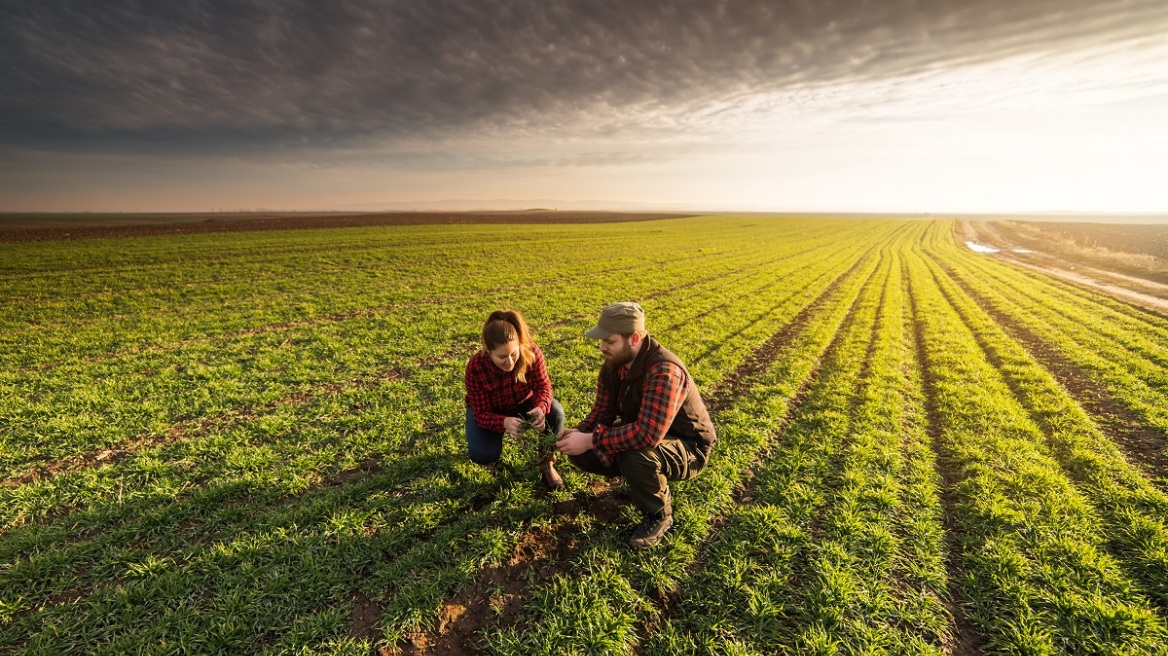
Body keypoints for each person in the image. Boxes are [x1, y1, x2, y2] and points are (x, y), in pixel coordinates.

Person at [556, 302, 716, 549]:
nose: (602, 348)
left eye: (609, 341)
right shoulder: (613, 367)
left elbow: (646, 435)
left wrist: (591, 440)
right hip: (648, 433)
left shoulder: (664, 370)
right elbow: (602, 412)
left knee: (636, 455)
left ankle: (659, 515)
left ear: (634, 338)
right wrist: (579, 432)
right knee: (585, 454)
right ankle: (638, 483)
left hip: (689, 446)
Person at [465, 309, 566, 489]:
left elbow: (544, 387)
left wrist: (541, 408)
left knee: (555, 413)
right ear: (488, 351)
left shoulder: (531, 351)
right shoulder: (475, 367)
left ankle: (546, 461)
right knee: (482, 454)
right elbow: (480, 413)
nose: (510, 363)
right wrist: (503, 422)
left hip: (523, 402)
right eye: (502, 357)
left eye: (514, 354)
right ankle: (490, 458)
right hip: (492, 411)